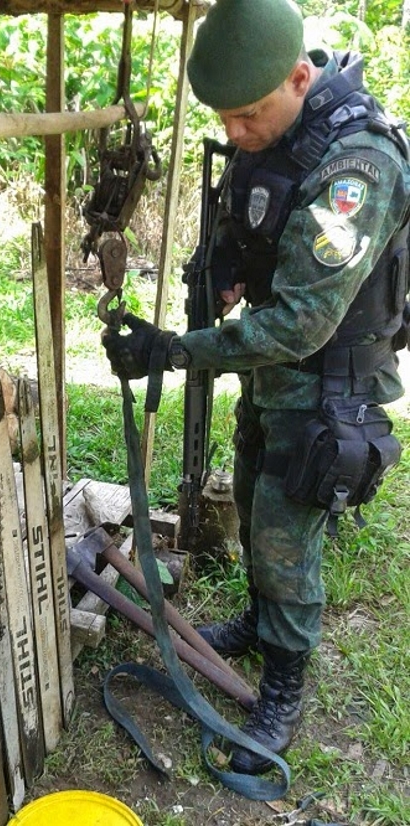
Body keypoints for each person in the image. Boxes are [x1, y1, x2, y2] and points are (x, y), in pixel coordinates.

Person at [102, 0, 410, 776]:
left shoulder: (357, 165)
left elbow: (304, 320)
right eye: (227, 120)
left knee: (283, 535)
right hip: (272, 381)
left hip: (325, 387)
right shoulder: (280, 132)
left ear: (300, 77)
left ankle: (284, 682)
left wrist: (176, 349)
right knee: (249, 500)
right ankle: (263, 614)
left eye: (247, 117)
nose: (236, 134)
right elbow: (255, 232)